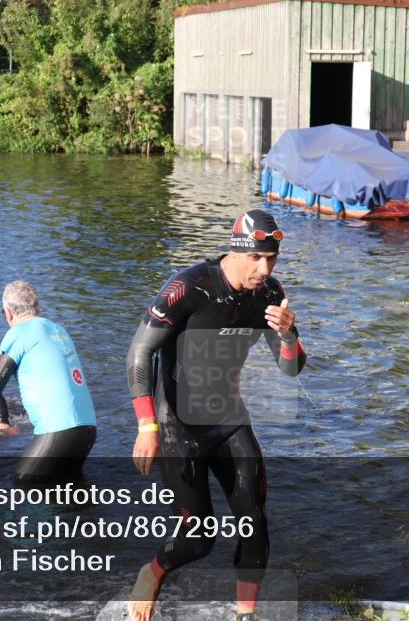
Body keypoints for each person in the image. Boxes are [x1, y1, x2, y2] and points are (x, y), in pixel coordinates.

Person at [124, 209, 307, 621]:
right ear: (236, 251)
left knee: (255, 526)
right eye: (257, 258)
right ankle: (152, 573)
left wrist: (288, 335)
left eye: (272, 259)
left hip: (228, 420)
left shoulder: (270, 295)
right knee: (199, 540)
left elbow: (291, 368)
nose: (265, 269)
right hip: (178, 427)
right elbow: (140, 352)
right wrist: (146, 425)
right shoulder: (190, 287)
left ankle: (245, 616)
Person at [0, 281, 97, 484]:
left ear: (8, 313)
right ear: (37, 307)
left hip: (58, 429)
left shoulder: (19, 333)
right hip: (88, 428)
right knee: (69, 493)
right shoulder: (59, 330)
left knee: (24, 484)